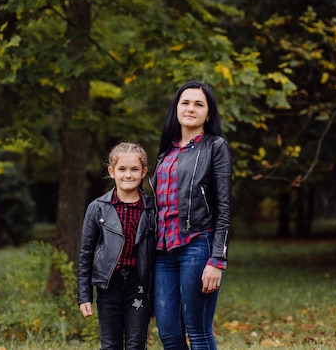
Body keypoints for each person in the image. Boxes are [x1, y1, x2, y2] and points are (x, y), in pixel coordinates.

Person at [150, 80, 232, 350]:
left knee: (197, 331)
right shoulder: (166, 153)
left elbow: (223, 208)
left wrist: (217, 260)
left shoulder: (215, 147)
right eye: (185, 102)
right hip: (163, 251)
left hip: (197, 245)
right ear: (176, 108)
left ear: (208, 114)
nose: (191, 108)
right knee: (170, 336)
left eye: (199, 104)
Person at [77, 141, 156, 350]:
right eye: (122, 169)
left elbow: (157, 254)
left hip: (139, 285)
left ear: (144, 172)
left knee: (136, 344)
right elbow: (86, 253)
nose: (128, 175)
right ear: (111, 171)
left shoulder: (152, 209)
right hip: (108, 285)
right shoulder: (97, 208)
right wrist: (84, 295)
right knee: (110, 344)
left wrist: (156, 293)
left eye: (134, 169)